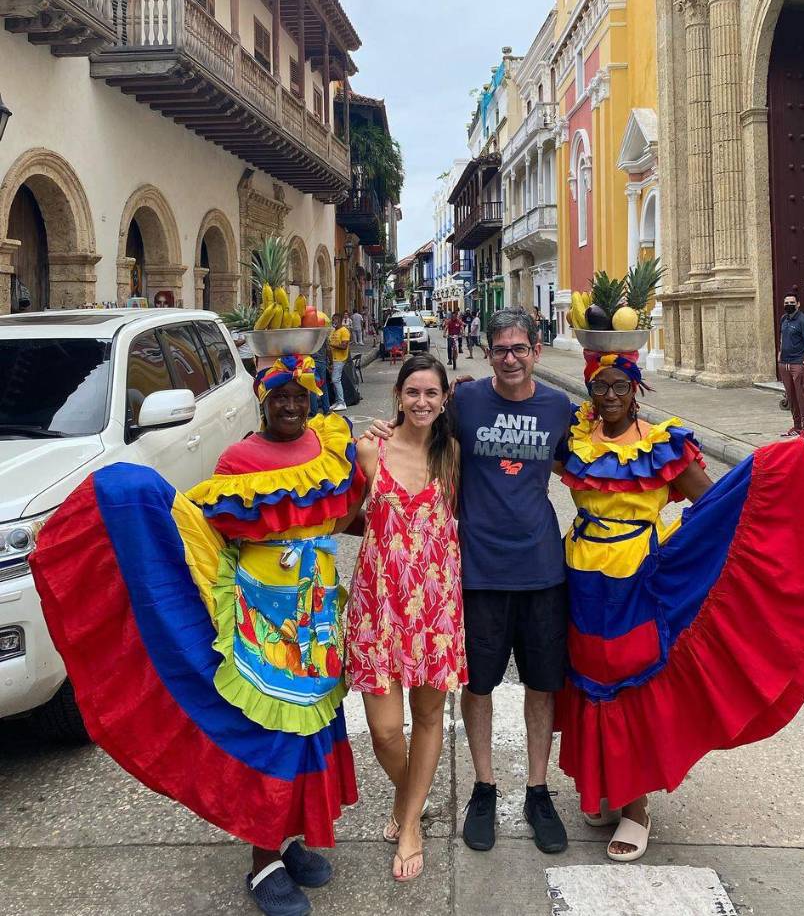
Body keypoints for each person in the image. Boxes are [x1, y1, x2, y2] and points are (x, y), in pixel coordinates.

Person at [30, 354, 366, 916]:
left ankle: (294, 836)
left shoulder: (327, 449)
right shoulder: (240, 459)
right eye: (279, 396)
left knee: (316, 725)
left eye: (299, 396)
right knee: (274, 729)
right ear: (262, 400)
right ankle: (264, 864)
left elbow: (344, 514)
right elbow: (205, 526)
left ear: (311, 398)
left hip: (319, 614)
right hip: (266, 617)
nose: (290, 406)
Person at [554, 348, 804, 862]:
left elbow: (712, 504)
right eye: (601, 386)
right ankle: (605, 788)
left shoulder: (662, 449)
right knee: (586, 676)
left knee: (628, 679)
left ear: (636, 389)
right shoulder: (575, 440)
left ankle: (636, 808)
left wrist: (693, 542)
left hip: (638, 580)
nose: (611, 396)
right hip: (581, 579)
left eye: (621, 386)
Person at [367, 309, 573, 856]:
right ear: (486, 352)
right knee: (478, 686)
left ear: (536, 351)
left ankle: (536, 788)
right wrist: (382, 429)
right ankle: (483, 786)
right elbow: (419, 429)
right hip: (477, 572)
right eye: (500, 349)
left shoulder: (559, 408)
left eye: (519, 349)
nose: (509, 358)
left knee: (541, 685)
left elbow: (592, 463)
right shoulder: (465, 403)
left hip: (541, 568)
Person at [346, 353, 466, 883]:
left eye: (431, 394)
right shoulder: (370, 447)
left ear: (443, 402)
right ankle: (409, 792)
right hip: (378, 607)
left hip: (436, 609)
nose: (421, 402)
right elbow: (346, 515)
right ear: (398, 395)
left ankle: (411, 819)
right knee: (385, 730)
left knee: (430, 717)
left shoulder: (454, 456)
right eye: (412, 392)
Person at [778, 291, 804, 443]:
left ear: (798, 304)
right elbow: (782, 339)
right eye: (786, 303)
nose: (789, 305)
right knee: (792, 397)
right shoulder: (784, 319)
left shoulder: (803, 321)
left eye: (792, 302)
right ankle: (796, 427)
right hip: (785, 364)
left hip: (798, 364)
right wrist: (780, 356)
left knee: (803, 397)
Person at [329, 313, 351, 412]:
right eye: (332, 319)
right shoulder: (333, 331)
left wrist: (332, 345)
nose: (333, 321)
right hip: (333, 359)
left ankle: (342, 402)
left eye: (335, 319)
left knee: (336, 380)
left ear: (340, 320)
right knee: (334, 381)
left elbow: (344, 346)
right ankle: (338, 401)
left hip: (340, 359)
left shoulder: (344, 331)